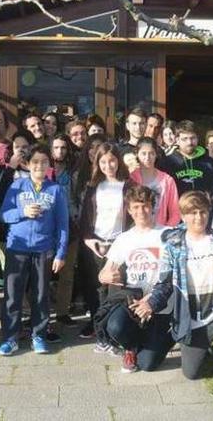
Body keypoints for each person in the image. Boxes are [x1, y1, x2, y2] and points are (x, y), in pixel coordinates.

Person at [132, 191, 213, 396]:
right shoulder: (173, 244)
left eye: (202, 212)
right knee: (191, 373)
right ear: (183, 216)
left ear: (208, 213)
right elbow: (165, 283)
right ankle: (205, 348)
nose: (198, 217)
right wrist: (151, 304)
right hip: (191, 319)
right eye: (192, 213)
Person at [0, 144, 69, 356]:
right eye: (35, 162)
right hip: (16, 248)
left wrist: (61, 253)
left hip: (43, 249)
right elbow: (4, 215)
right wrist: (22, 211)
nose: (39, 166)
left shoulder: (55, 189)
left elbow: (62, 224)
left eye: (44, 162)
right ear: (27, 164)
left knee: (40, 295)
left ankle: (39, 335)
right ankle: (10, 338)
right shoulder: (17, 186)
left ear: (49, 165)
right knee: (12, 295)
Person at [98, 185, 173, 373]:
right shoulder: (124, 238)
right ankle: (130, 347)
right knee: (114, 326)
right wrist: (105, 276)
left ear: (153, 206)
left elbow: (177, 274)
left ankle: (164, 337)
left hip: (161, 301)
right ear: (129, 210)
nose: (141, 211)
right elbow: (104, 273)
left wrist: (152, 299)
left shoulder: (168, 234)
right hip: (133, 299)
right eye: (136, 207)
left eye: (145, 205)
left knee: (147, 365)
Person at [78, 143, 135, 342]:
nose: (108, 165)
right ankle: (98, 328)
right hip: (96, 244)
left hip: (120, 244)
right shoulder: (93, 187)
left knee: (116, 290)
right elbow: (84, 217)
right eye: (103, 161)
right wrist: (89, 240)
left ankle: (114, 331)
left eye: (111, 160)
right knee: (96, 289)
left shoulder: (128, 185)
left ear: (118, 161)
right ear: (97, 163)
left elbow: (134, 217)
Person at [50, 134, 79, 334]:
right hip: (46, 227)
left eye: (63, 148)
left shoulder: (72, 171)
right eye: (56, 147)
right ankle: (41, 312)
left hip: (69, 225)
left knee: (66, 274)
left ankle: (62, 311)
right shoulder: (43, 169)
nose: (60, 151)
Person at [159, 120, 213, 197]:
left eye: (192, 138)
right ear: (177, 140)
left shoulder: (209, 162)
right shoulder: (167, 162)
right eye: (185, 139)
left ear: (197, 139)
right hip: (177, 207)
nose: (189, 142)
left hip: (202, 207)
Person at [130, 137, 180, 227]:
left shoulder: (167, 180)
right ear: (137, 154)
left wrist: (166, 230)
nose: (147, 157)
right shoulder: (131, 179)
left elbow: (175, 212)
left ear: (156, 154)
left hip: (160, 231)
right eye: (143, 154)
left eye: (151, 153)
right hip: (136, 231)